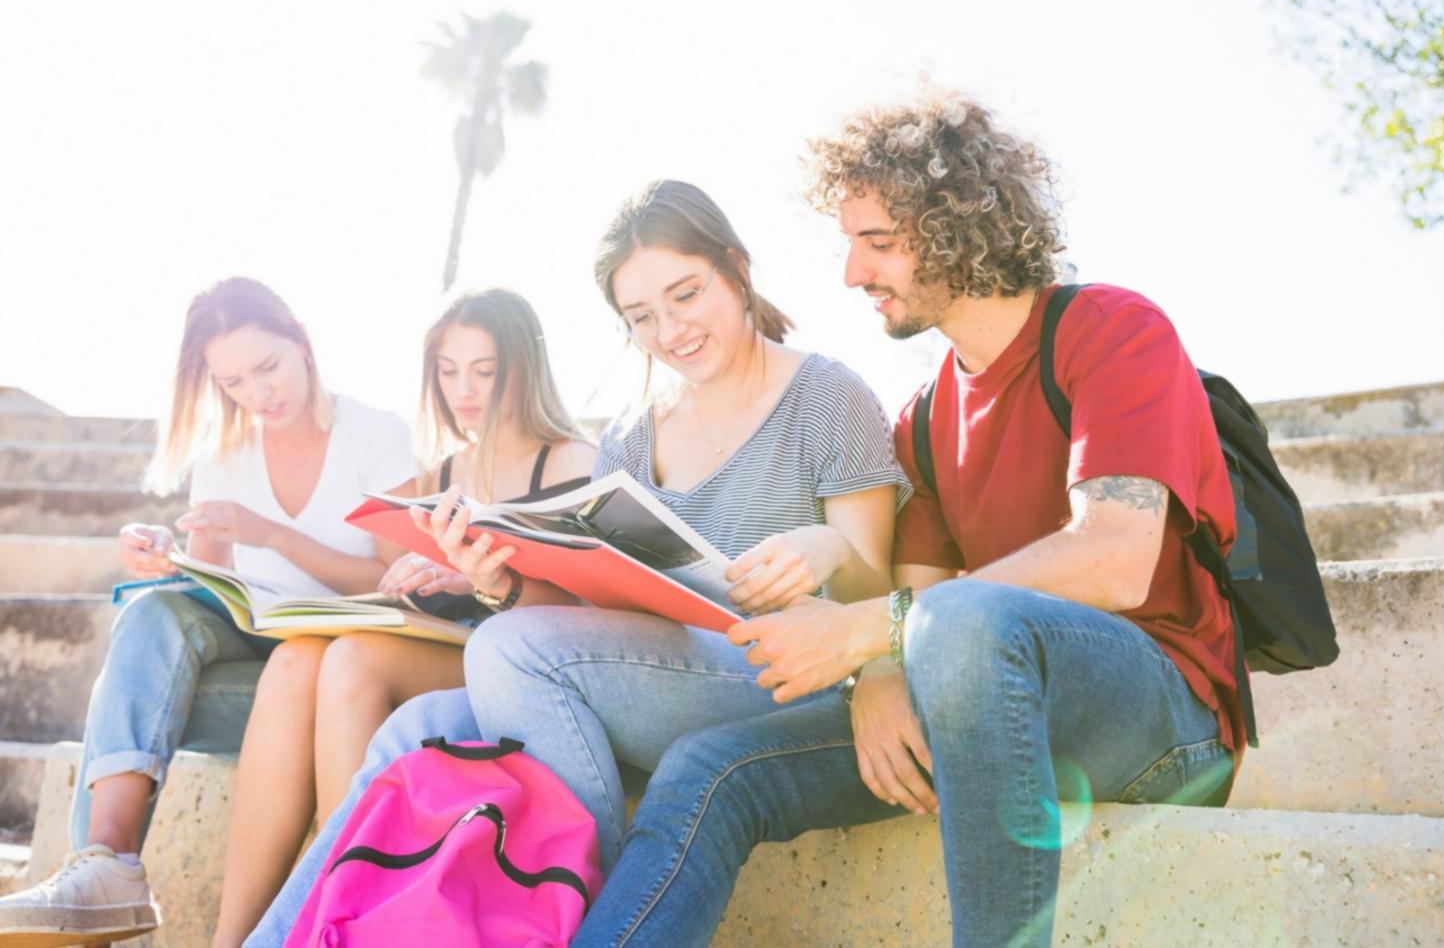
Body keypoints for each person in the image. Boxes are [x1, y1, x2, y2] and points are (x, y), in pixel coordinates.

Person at [573, 92, 1244, 947]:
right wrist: (879, 678)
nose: (852, 273)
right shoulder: (923, 421)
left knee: (962, 621)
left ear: (961, 226)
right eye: (850, 244)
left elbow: (1114, 557)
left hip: (1161, 721)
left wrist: (871, 633)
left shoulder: (1112, 330)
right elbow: (907, 606)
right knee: (711, 768)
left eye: (879, 242)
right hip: (983, 702)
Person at [244, 179, 910, 945]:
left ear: (737, 268)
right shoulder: (633, 433)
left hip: (782, 673)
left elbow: (873, 590)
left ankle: (565, 919)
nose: (670, 331)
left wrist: (827, 547)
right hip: (661, 682)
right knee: (417, 726)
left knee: (503, 650)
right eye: (642, 317)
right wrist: (499, 581)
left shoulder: (826, 393)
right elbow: (593, 627)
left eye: (686, 294)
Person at [0, 277, 417, 948]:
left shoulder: (376, 433)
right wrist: (164, 559)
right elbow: (212, 596)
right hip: (253, 669)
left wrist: (273, 534)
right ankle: (107, 864)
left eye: (267, 366)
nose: (257, 394)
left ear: (301, 342)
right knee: (153, 613)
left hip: (336, 681)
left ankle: (124, 882)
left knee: (291, 662)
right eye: (232, 383)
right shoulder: (225, 453)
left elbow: (398, 584)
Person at [210, 289, 596, 946]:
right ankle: (319, 908)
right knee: (331, 655)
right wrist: (414, 581)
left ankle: (337, 899)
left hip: (536, 669)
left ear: (524, 368)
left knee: (352, 660)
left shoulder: (572, 460)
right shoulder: (443, 471)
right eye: (448, 371)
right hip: (457, 648)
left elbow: (593, 610)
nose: (464, 390)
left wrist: (477, 577)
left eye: (484, 369)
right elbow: (430, 593)